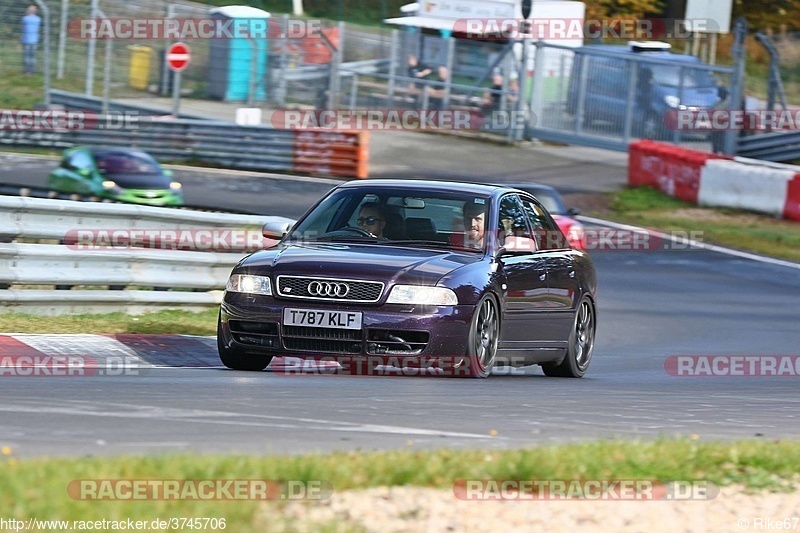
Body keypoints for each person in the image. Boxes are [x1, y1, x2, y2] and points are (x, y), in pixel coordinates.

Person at [21, 5, 41, 76]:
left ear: (29, 11)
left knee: (26, 57)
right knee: (33, 57)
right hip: (34, 40)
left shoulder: (25, 18)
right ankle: (33, 71)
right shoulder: (38, 19)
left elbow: (23, 28)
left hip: (26, 40)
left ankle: (27, 72)